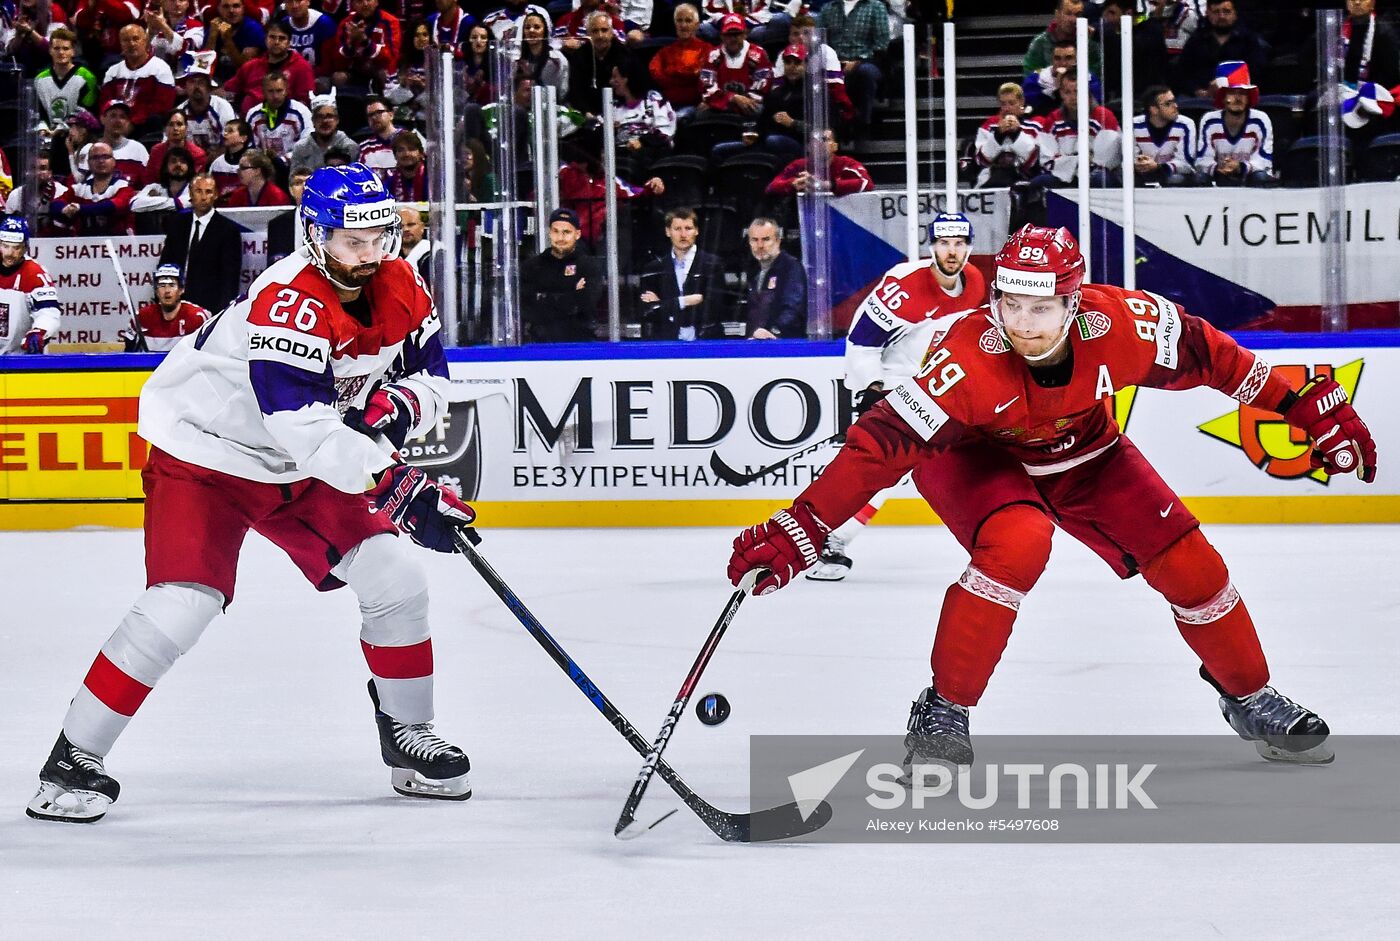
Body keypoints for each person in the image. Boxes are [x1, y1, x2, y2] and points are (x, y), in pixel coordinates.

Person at [727, 224, 1376, 772]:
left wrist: (1295, 404)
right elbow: (878, 449)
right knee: (1019, 544)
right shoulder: (963, 361)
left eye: (1041, 308)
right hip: (979, 458)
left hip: (1086, 453)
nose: (1022, 324)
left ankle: (1250, 694)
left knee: (1195, 567)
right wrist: (801, 525)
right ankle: (944, 709)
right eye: (1010, 303)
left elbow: (1215, 357)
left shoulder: (1124, 322)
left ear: (1075, 301)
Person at [26, 164, 475, 824]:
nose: (370, 254)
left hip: (296, 462)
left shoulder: (401, 280)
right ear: (316, 236)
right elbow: (300, 426)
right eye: (353, 241)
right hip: (207, 455)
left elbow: (434, 375)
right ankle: (71, 758)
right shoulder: (287, 297)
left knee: (397, 576)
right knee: (182, 604)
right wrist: (400, 487)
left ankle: (409, 734)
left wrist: (399, 404)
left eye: (379, 236)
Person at [805, 212, 987, 583]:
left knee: (937, 466)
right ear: (931, 246)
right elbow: (860, 343)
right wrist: (876, 390)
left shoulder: (974, 284)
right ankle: (827, 535)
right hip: (890, 384)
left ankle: (830, 535)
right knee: (882, 470)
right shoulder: (904, 287)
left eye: (959, 244)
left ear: (969, 247)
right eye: (943, 243)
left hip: (935, 387)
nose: (951, 252)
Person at [638, 207, 730, 341]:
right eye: (677, 229)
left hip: (706, 342)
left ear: (697, 231)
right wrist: (685, 301)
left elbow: (714, 309)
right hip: (667, 344)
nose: (683, 234)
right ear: (668, 231)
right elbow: (647, 311)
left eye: (688, 228)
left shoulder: (712, 265)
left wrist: (664, 305)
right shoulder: (654, 268)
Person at [158, 173, 243, 313]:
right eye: (198, 191)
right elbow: (166, 263)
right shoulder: (178, 224)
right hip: (176, 304)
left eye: (208, 192)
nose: (203, 197)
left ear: (216, 195)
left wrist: (222, 312)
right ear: (191, 194)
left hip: (211, 305)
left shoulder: (228, 230)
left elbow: (230, 277)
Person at [520, 207, 604, 343]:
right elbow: (527, 309)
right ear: (549, 233)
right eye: (556, 231)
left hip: (580, 344)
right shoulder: (532, 266)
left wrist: (546, 298)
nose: (560, 238)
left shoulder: (588, 266)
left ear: (577, 234)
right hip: (541, 346)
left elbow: (587, 301)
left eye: (566, 232)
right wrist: (573, 294)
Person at [1033, 71, 1121, 187]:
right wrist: (1080, 161)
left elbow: (1106, 160)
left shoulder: (1104, 116)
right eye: (1067, 92)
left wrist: (1068, 161)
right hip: (1063, 175)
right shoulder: (1053, 119)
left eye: (1077, 91)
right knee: (1040, 183)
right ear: (1061, 94)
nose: (1073, 97)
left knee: (1100, 179)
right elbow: (1048, 160)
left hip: (1096, 174)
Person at [1195, 61, 1276, 186]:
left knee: (1260, 176)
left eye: (1243, 93)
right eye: (1232, 93)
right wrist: (1218, 168)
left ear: (1248, 97)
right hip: (1219, 176)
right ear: (1222, 97)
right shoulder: (1209, 121)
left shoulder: (1261, 119)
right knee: (1200, 177)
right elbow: (1202, 160)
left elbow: (1264, 161)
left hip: (1251, 177)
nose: (1238, 98)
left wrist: (1240, 167)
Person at [817, 0, 890, 138]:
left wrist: (858, 62)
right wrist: (835, 62)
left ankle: (863, 123)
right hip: (834, 62)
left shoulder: (875, 6)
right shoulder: (828, 7)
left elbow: (881, 45)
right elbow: (820, 41)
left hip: (867, 61)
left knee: (865, 72)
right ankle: (832, 129)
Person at [1172, 0, 1269, 99]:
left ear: (1235, 14)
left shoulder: (1248, 40)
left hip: (1240, 94)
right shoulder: (1197, 40)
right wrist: (1198, 91)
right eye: (1216, 12)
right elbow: (1183, 73)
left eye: (1226, 11)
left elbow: (1257, 71)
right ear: (1208, 13)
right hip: (1202, 98)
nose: (1221, 16)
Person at [100, 22, 177, 133]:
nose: (131, 44)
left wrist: (133, 122)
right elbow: (105, 103)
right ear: (120, 43)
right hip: (116, 127)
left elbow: (162, 106)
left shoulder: (160, 68)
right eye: (126, 40)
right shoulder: (113, 71)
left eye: (136, 39)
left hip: (146, 129)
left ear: (145, 41)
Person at [224, 19, 316, 112]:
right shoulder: (251, 66)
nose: (276, 42)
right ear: (265, 40)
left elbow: (305, 101)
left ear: (289, 43)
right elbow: (229, 89)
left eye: (282, 38)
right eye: (272, 37)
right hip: (248, 120)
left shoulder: (302, 67)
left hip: (286, 120)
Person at [0, 217, 61, 355]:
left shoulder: (35, 274)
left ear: (26, 247)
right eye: (5, 246)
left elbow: (49, 313)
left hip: (20, 358)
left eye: (16, 248)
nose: (9, 253)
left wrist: (39, 331)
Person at [52, 141, 136, 237]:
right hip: (84, 246)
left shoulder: (124, 187)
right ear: (88, 163)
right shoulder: (80, 189)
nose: (101, 161)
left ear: (114, 161)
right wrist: (64, 209)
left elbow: (112, 207)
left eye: (105, 157)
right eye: (95, 157)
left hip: (119, 245)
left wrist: (79, 209)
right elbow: (55, 204)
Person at [741, 217, 806, 340]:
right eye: (754, 240)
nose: (759, 245)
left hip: (782, 346)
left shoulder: (791, 267)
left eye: (766, 239)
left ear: (777, 241)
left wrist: (773, 331)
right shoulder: (753, 269)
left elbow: (793, 309)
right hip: (755, 345)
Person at [697, 14, 771, 117]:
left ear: (745, 34)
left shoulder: (759, 54)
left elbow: (760, 92)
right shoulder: (713, 55)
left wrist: (721, 103)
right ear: (721, 36)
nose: (733, 38)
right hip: (724, 103)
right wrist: (732, 98)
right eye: (728, 34)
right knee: (702, 111)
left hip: (743, 106)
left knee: (757, 109)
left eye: (737, 34)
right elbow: (707, 89)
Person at [649, 3, 712, 117]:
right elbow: (655, 73)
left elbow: (703, 79)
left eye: (688, 21)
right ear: (675, 24)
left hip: (694, 105)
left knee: (679, 116)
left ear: (697, 25)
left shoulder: (707, 49)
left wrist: (672, 73)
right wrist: (688, 75)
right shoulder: (665, 51)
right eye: (679, 20)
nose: (683, 25)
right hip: (667, 105)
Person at [975, 82, 1042, 188]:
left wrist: (1016, 134)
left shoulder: (1036, 125)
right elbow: (981, 160)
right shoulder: (989, 125)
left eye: (1011, 103)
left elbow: (1036, 161)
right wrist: (998, 135)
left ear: (1022, 102)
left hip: (1027, 179)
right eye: (1003, 104)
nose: (1007, 108)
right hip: (993, 179)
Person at [566, 9, 632, 116]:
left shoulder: (625, 55)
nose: (600, 35)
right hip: (588, 115)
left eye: (604, 30)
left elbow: (630, 90)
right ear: (588, 34)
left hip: (621, 112)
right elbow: (575, 91)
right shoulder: (579, 56)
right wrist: (585, 112)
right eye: (595, 31)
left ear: (611, 32)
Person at [130, 263, 210, 351]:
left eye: (172, 285)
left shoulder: (198, 317)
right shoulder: (141, 317)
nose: (167, 290)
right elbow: (128, 355)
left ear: (181, 290)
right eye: (162, 285)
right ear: (156, 291)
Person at [1132, 84, 1197, 187]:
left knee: (1176, 178)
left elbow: (1186, 163)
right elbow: (1129, 159)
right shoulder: (1134, 125)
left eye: (1174, 101)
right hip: (1142, 174)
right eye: (1168, 104)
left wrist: (1158, 167)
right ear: (1154, 109)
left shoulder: (1185, 124)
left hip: (1173, 174)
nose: (1175, 106)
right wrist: (1139, 163)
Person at [176, 50, 237, 155]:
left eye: (201, 82)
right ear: (185, 87)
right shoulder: (179, 112)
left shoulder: (222, 107)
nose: (196, 86)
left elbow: (232, 143)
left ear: (209, 86)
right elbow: (171, 144)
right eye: (192, 82)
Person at [35, 28, 99, 127]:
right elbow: (39, 114)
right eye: (56, 48)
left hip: (78, 135)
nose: (61, 52)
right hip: (48, 136)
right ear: (50, 50)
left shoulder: (87, 77)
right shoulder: (40, 79)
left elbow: (87, 116)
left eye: (65, 48)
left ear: (73, 51)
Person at [245, 71, 314, 160]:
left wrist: (282, 160)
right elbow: (251, 149)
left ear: (286, 90)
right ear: (263, 92)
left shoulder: (301, 112)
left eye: (279, 90)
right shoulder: (253, 114)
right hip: (263, 168)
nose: (275, 96)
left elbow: (308, 145)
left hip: (294, 166)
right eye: (270, 91)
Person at [1023, 0, 1101, 77]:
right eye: (1068, 13)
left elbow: (1096, 78)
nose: (1073, 20)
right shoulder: (1040, 43)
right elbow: (1030, 79)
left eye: (1077, 15)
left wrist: (1087, 43)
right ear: (1057, 14)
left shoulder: (1090, 44)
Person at [289, 94, 358, 175]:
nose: (325, 121)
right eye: (319, 116)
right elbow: (295, 182)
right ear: (313, 121)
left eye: (329, 116)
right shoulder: (300, 148)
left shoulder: (350, 147)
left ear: (337, 120)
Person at [267, 166, 313, 264]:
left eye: (308, 182)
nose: (304, 186)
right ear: (291, 190)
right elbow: (273, 264)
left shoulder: (326, 222)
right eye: (298, 183)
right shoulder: (277, 225)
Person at [222, 149, 293, 206]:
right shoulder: (237, 195)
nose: (238, 171)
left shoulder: (278, 197)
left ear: (257, 171)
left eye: (243, 168)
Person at [283, 0, 338, 71]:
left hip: (319, 75)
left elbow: (328, 65)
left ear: (308, 1)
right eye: (289, 1)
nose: (294, 6)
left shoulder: (325, 24)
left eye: (299, 1)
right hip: (290, 74)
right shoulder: (284, 23)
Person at [384, 130, 429, 202]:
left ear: (421, 153)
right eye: (401, 150)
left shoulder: (432, 180)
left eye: (411, 149)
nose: (406, 154)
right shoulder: (390, 183)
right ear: (395, 156)